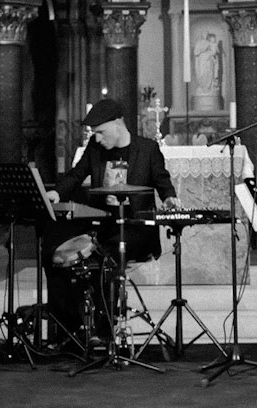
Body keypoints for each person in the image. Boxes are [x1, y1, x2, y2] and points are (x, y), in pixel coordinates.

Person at [43, 96, 178, 345]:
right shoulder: (95, 150)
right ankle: (68, 329)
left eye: (100, 132)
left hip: (137, 230)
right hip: (103, 227)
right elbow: (75, 175)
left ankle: (104, 332)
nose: (97, 138)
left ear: (118, 123)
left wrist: (169, 199)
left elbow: (162, 182)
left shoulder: (147, 149)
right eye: (94, 133)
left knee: (106, 256)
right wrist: (56, 193)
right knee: (53, 251)